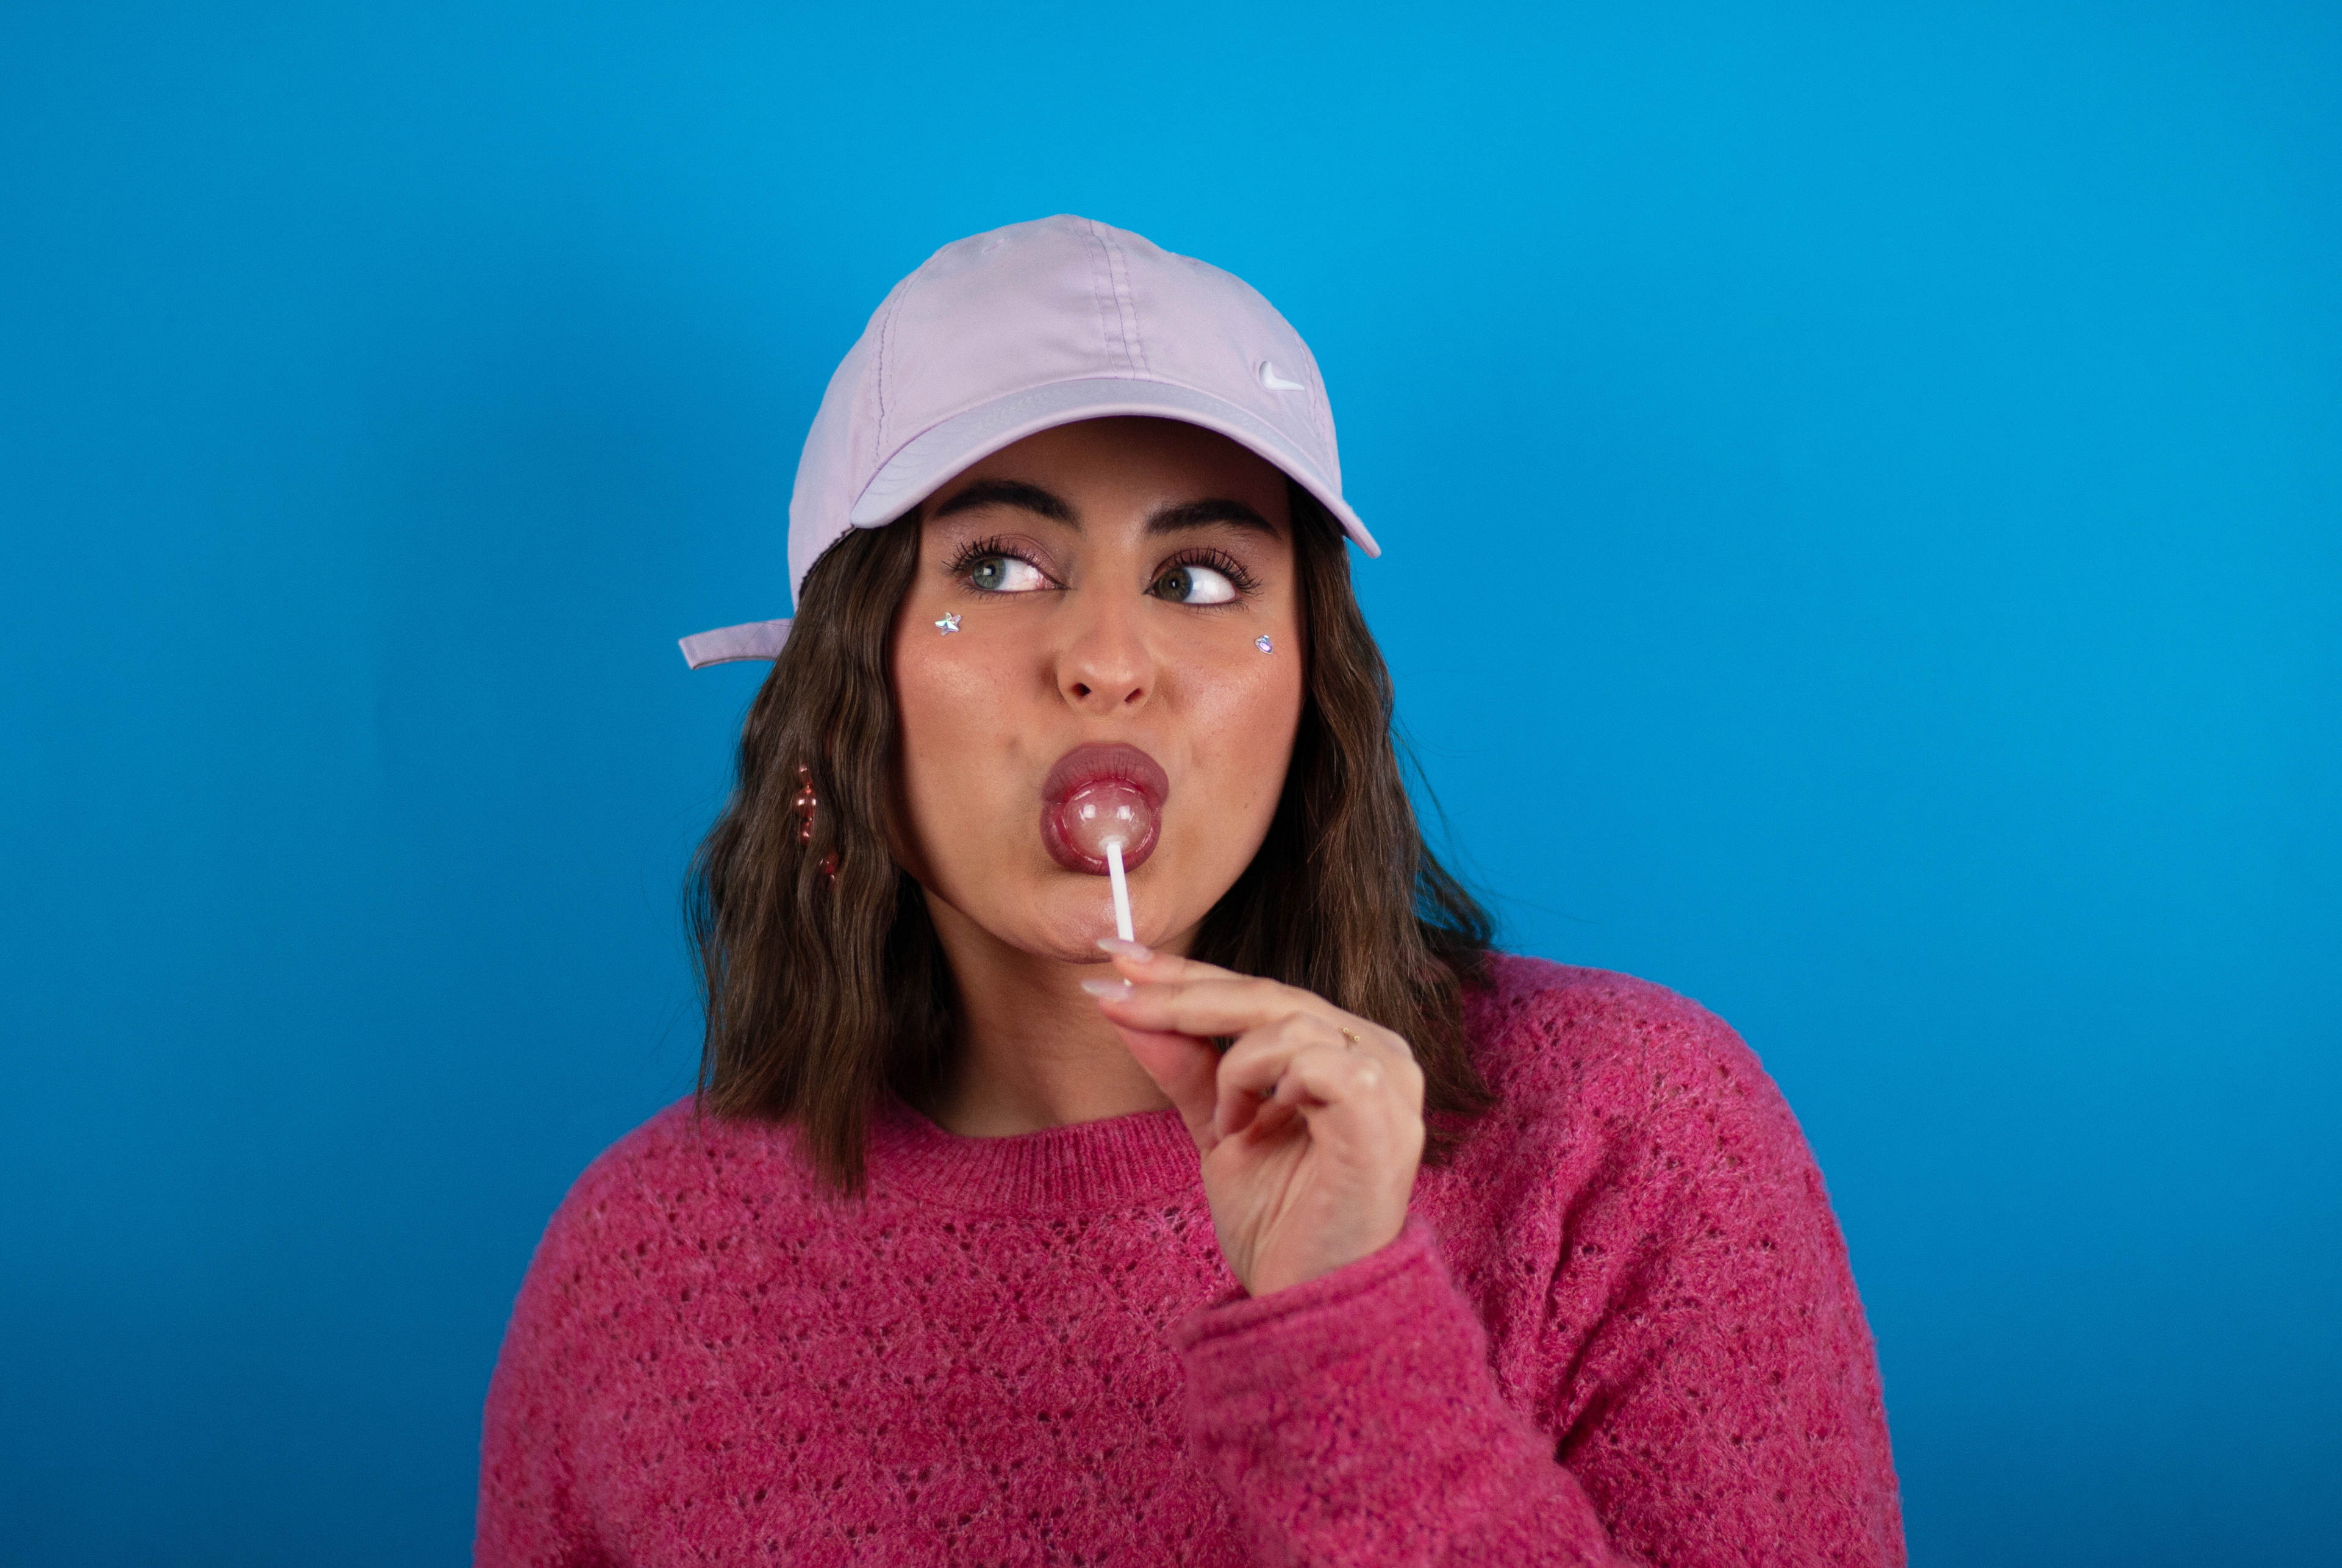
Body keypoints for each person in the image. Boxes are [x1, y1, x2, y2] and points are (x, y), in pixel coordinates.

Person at [475, 215, 1905, 1566]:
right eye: (1000, 564)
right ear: (841, 689)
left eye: (1203, 578)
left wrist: (1350, 1334)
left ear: (1314, 692)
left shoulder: (1627, 1142)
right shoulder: (636, 1272)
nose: (1109, 660)